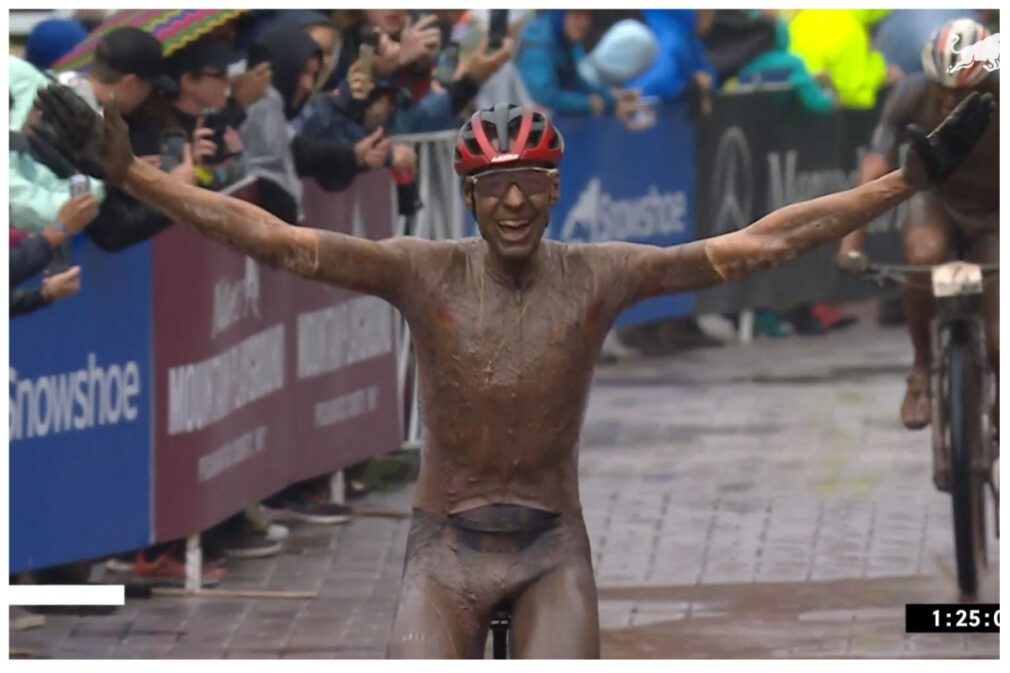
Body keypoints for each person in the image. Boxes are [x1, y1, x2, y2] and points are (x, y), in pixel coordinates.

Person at [34, 82, 992, 657]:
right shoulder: (423, 271)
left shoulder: (601, 274)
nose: (518, 204)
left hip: (549, 546)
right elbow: (275, 238)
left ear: (557, 187)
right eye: (498, 189)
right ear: (470, 192)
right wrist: (134, 176)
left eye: (534, 184)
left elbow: (757, 243)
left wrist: (904, 181)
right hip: (443, 546)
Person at [838, 18, 1000, 434]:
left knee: (1000, 342)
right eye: (941, 90)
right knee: (924, 255)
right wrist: (851, 246)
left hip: (996, 214)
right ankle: (922, 368)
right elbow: (874, 172)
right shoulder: (909, 94)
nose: (948, 101)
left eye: (962, 93)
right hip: (938, 202)